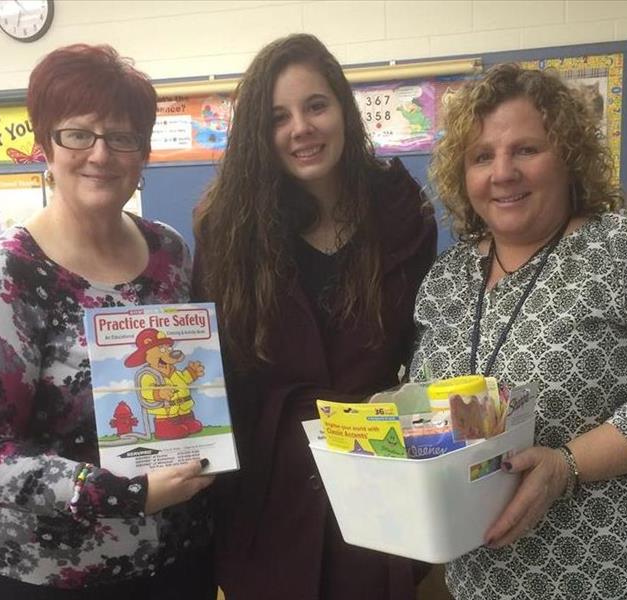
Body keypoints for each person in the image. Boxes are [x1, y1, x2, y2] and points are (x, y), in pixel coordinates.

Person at [192, 33, 437, 600]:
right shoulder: (227, 226)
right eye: (279, 116)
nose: (301, 128)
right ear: (260, 133)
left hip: (377, 465)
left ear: (343, 110)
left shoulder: (402, 211)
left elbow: (426, 346)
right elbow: (216, 370)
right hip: (269, 478)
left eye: (316, 106)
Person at [410, 63, 627, 600]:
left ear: (569, 158)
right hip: (479, 577)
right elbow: (428, 399)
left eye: (525, 149)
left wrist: (567, 465)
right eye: (482, 156)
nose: (502, 172)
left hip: (607, 573)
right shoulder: (447, 277)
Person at [0, 44, 216, 600]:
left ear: (142, 152)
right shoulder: (5, 272)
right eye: (78, 133)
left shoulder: (169, 251)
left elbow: (194, 379)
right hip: (44, 572)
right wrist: (125, 495)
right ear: (45, 148)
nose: (100, 154)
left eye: (122, 136)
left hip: (175, 558)